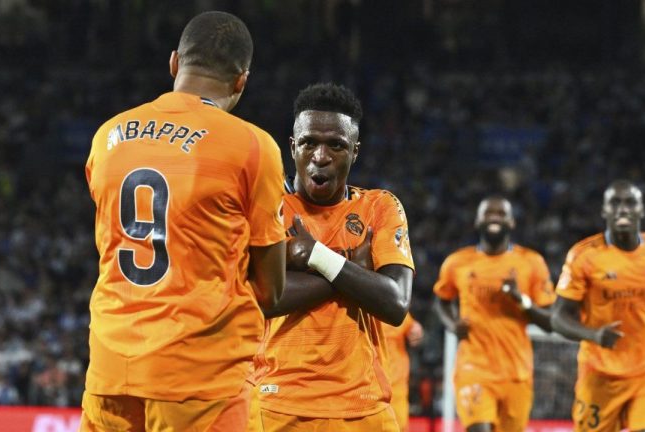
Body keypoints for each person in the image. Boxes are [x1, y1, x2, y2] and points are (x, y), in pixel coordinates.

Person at [81, 11, 286, 432]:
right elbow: (270, 290)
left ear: (174, 62)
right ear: (241, 80)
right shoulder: (252, 146)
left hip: (110, 368)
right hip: (199, 379)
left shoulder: (107, 136)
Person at [254, 83, 415, 431]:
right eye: (310, 142)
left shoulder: (380, 207)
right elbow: (263, 298)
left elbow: (395, 303)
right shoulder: (265, 206)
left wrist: (313, 256)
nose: (321, 156)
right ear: (293, 145)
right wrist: (351, 272)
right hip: (278, 404)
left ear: (354, 152)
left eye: (336, 145)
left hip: (365, 407)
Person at [551, 180, 645, 432]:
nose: (623, 209)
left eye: (630, 202)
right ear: (605, 211)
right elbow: (558, 317)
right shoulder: (584, 256)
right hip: (599, 374)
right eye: (615, 203)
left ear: (641, 210)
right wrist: (593, 335)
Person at [433, 196, 555, 432]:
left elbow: (550, 322)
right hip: (474, 367)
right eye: (488, 213)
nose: (494, 218)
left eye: (501, 214)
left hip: (516, 373)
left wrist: (521, 300)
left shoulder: (531, 262)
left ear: (512, 222)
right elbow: (442, 301)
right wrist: (452, 324)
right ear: (477, 221)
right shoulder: (457, 262)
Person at [383, 314, 424, 432]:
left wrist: (415, 329)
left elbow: (411, 326)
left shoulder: (389, 302)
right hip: (366, 388)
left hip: (396, 388)